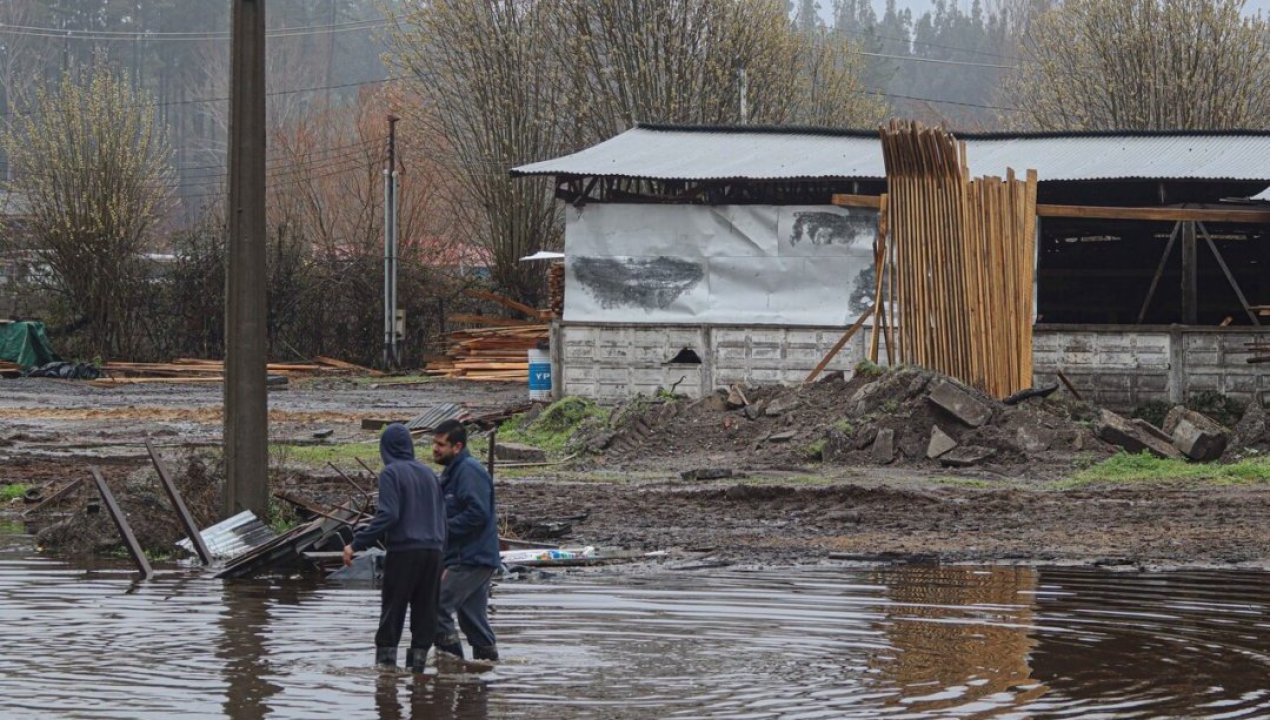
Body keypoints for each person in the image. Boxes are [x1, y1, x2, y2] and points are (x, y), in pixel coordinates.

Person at [343, 423, 446, 671]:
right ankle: (418, 678)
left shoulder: (391, 473)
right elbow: (443, 519)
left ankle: (386, 674)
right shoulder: (429, 474)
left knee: (393, 611)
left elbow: (389, 515)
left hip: (405, 552)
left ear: (385, 448)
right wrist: (446, 558)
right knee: (424, 615)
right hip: (434, 553)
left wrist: (356, 544)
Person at [431, 419, 501, 662]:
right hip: (468, 556)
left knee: (436, 608)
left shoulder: (469, 471)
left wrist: (441, 529)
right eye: (434, 443)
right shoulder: (453, 472)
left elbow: (478, 514)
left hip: (471, 558)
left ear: (457, 446)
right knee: (472, 620)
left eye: (441, 444)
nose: (435, 449)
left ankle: (451, 668)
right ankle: (485, 670)